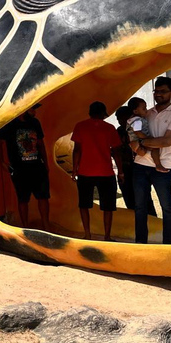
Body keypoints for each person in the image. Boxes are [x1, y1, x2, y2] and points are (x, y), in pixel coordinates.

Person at [133, 76, 171, 244]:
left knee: (167, 207)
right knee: (140, 207)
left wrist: (141, 143)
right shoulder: (147, 113)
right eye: (156, 91)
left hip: (162, 167)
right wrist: (139, 142)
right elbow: (132, 136)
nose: (158, 95)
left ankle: (169, 244)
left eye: (162, 92)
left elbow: (166, 141)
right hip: (140, 165)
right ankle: (141, 243)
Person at [71, 102, 124, 241]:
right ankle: (107, 236)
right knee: (108, 207)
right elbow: (116, 152)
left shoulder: (80, 126)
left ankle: (87, 234)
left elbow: (77, 149)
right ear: (102, 113)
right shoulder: (109, 128)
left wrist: (74, 169)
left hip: (84, 172)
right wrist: (121, 171)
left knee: (84, 205)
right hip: (106, 172)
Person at [0, 104, 50, 230]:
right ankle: (26, 226)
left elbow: (41, 144)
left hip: (37, 165)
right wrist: (2, 162)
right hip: (19, 167)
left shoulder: (35, 123)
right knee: (23, 198)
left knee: (43, 196)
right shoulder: (9, 124)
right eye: (32, 109)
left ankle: (46, 225)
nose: (34, 112)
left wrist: (46, 163)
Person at [115, 106, 156, 215]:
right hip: (126, 168)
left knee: (145, 199)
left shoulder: (139, 128)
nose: (121, 121)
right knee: (130, 199)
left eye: (123, 118)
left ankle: (152, 222)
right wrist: (120, 171)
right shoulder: (119, 131)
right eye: (119, 119)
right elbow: (117, 151)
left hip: (139, 167)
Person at [127, 97, 167, 173]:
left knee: (143, 152)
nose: (146, 110)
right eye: (144, 109)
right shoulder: (137, 120)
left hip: (136, 141)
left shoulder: (132, 120)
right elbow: (137, 132)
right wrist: (148, 139)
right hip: (140, 139)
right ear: (135, 111)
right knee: (155, 147)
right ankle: (158, 164)